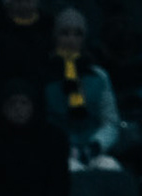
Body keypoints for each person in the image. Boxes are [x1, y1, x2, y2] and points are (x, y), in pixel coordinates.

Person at [43, 8, 124, 171]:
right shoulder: (45, 76)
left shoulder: (98, 76)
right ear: (55, 37)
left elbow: (110, 122)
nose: (71, 39)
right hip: (60, 152)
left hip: (94, 149)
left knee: (111, 169)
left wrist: (94, 146)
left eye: (77, 34)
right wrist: (65, 148)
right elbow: (42, 123)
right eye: (65, 33)